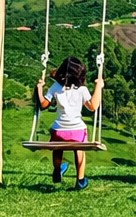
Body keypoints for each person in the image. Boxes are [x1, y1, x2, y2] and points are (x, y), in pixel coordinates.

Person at [35, 56, 103, 189]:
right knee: (79, 149)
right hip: (77, 131)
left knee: (57, 148)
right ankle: (80, 180)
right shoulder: (82, 90)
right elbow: (93, 106)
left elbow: (43, 104)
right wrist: (98, 87)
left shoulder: (55, 87)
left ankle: (57, 169)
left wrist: (39, 88)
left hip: (58, 131)